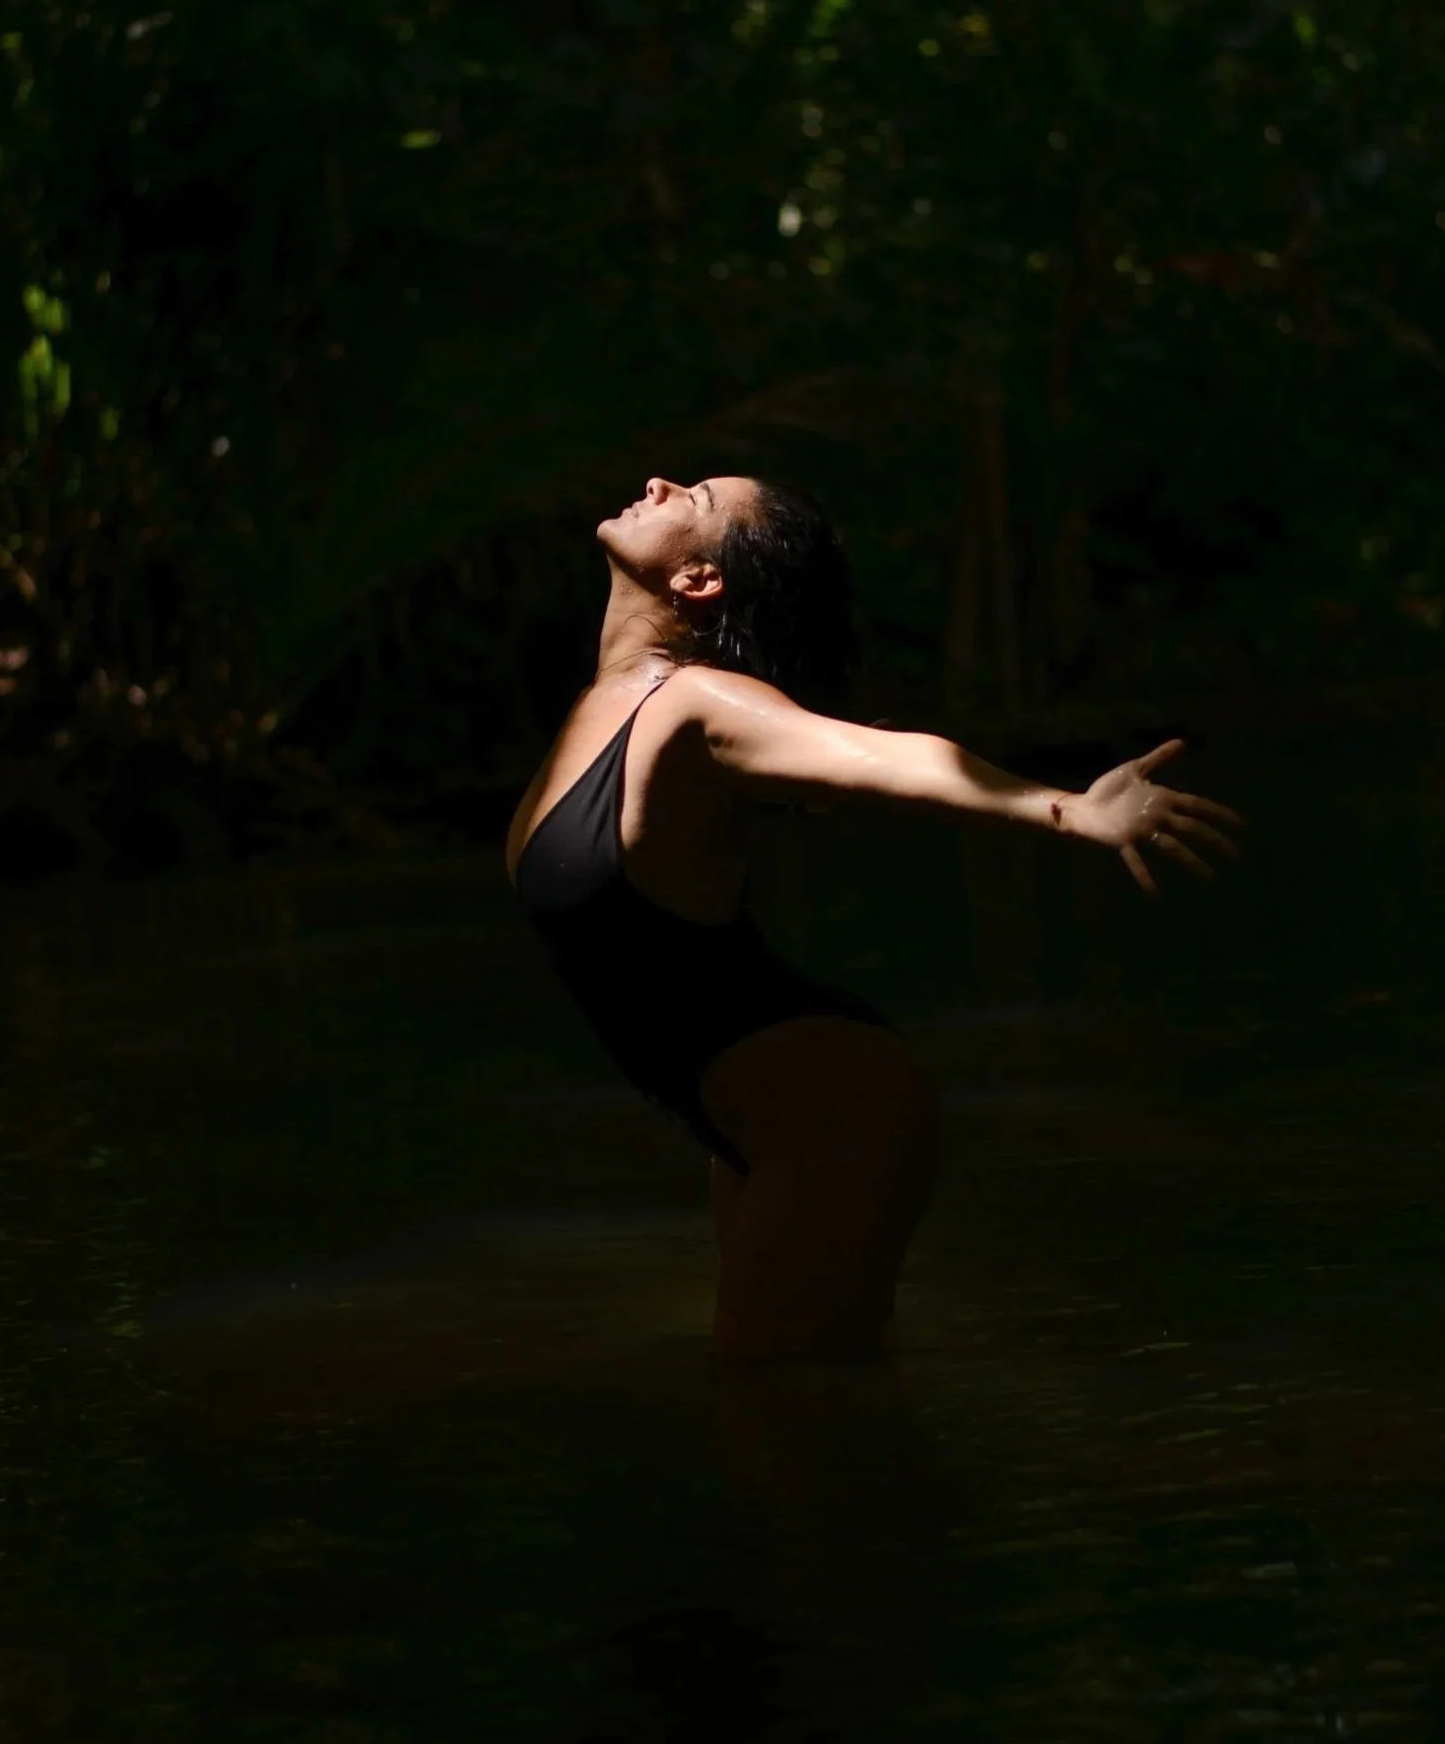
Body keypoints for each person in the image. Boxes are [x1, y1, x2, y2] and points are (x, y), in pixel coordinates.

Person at [508, 475, 1241, 1361]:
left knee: (781, 1398)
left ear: (700, 579)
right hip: (745, 1118)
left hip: (826, 1107)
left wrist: (1068, 810)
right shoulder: (605, 705)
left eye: (693, 499)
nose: (659, 483)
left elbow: (885, 758)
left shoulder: (694, 705)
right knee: (802, 1402)